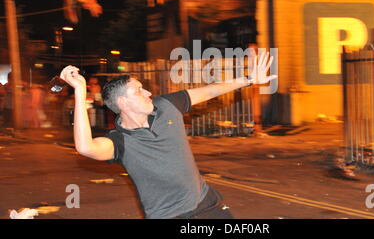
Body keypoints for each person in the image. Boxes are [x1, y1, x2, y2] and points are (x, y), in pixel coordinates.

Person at [59, 52, 276, 219]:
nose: (147, 93)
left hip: (207, 205)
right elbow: (86, 147)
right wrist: (80, 91)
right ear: (123, 103)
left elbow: (210, 91)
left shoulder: (166, 106)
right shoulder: (120, 142)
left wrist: (248, 79)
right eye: (138, 90)